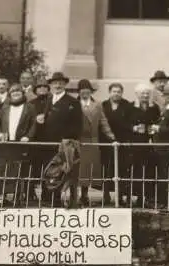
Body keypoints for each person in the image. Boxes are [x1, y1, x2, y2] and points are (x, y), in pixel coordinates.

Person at [36, 72, 83, 207]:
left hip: (62, 145)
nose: (57, 85)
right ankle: (46, 199)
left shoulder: (72, 102)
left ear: (65, 84)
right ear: (50, 85)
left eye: (61, 83)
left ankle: (57, 200)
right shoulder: (47, 101)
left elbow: (77, 126)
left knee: (60, 172)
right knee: (47, 171)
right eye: (55, 83)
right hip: (46, 144)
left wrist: (66, 140)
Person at [0, 84, 37, 206]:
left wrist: (28, 136)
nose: (16, 94)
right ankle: (1, 197)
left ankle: (17, 198)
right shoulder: (5, 108)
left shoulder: (30, 107)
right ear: (10, 95)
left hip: (21, 145)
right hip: (6, 144)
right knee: (3, 170)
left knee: (18, 171)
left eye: (18, 92)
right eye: (13, 93)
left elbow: (34, 124)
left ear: (23, 94)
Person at [76, 79, 115, 206]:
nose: (85, 93)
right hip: (78, 141)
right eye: (82, 91)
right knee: (77, 169)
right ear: (79, 92)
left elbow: (103, 121)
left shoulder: (97, 104)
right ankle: (73, 196)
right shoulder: (74, 104)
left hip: (93, 141)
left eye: (88, 91)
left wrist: (111, 137)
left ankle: (84, 195)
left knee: (88, 169)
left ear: (91, 92)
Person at [100, 83, 134, 206]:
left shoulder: (127, 106)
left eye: (119, 91)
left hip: (122, 143)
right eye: (114, 91)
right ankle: (106, 195)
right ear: (109, 92)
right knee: (107, 169)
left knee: (122, 170)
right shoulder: (103, 105)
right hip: (106, 142)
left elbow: (130, 123)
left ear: (122, 93)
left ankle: (120, 197)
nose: (116, 94)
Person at [129, 83, 161, 208]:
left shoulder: (154, 108)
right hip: (135, 144)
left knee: (149, 171)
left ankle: (148, 197)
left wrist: (153, 129)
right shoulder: (131, 107)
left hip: (150, 143)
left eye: (147, 93)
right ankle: (136, 197)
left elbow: (158, 121)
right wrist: (134, 128)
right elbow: (125, 123)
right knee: (136, 170)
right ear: (137, 94)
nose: (145, 95)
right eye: (143, 93)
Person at [28, 76, 51, 202]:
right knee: (33, 167)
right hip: (35, 139)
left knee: (48, 168)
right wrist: (35, 120)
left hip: (49, 139)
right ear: (35, 90)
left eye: (44, 87)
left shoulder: (52, 102)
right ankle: (30, 193)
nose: (42, 89)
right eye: (39, 87)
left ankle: (47, 194)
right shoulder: (31, 104)